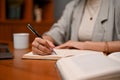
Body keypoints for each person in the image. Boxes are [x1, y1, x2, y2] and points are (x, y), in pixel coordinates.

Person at [32, 0, 120, 55]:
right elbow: (59, 29)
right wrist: (44, 41)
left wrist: (86, 45)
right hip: (76, 62)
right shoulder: (72, 5)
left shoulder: (117, 4)